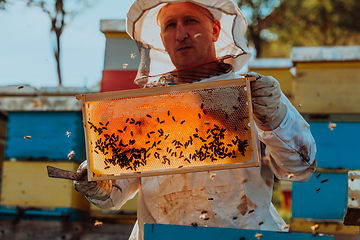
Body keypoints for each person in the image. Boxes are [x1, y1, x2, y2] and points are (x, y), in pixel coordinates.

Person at [74, 1, 317, 240]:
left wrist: (275, 120)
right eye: (170, 25)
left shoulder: (252, 92)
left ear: (215, 30)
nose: (181, 34)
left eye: (190, 21)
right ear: (161, 38)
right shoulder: (146, 107)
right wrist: (98, 181)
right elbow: (116, 192)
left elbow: (300, 168)